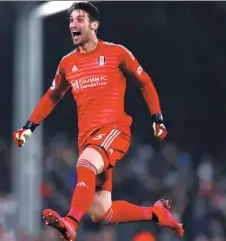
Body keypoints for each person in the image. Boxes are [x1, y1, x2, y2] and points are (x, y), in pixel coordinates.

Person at [13, 2, 184, 241]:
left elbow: (144, 81)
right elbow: (52, 97)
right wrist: (29, 127)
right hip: (88, 139)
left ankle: (71, 222)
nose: (73, 24)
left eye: (79, 19)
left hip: (114, 131)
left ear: (94, 25)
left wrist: (157, 117)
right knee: (100, 212)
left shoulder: (117, 53)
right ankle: (156, 213)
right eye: (71, 20)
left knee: (85, 164)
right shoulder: (67, 64)